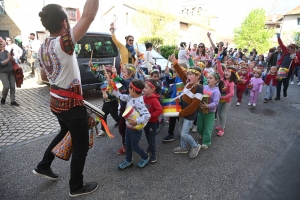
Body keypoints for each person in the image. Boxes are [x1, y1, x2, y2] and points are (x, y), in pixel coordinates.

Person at [33, 1, 99, 197]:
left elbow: (45, 77)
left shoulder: (42, 46)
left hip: (56, 101)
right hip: (71, 105)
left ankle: (44, 165)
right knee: (81, 145)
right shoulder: (64, 43)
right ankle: (76, 187)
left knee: (64, 131)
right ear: (64, 22)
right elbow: (88, 16)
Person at [169, 54, 203, 159]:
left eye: (191, 74)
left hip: (189, 115)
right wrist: (175, 63)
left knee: (184, 133)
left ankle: (195, 146)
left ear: (198, 77)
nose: (188, 76)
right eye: (188, 74)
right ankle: (183, 147)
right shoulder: (187, 82)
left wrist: (181, 113)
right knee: (181, 131)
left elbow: (194, 106)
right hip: (182, 112)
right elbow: (180, 72)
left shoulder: (199, 89)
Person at [112, 79, 151, 170]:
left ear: (133, 90)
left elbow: (147, 115)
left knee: (134, 146)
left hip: (135, 130)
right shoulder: (130, 97)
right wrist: (113, 87)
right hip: (128, 127)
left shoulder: (139, 102)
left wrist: (136, 121)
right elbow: (120, 96)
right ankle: (128, 160)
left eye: (129, 87)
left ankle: (145, 157)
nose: (128, 89)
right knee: (127, 144)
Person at [88, 62, 120, 136]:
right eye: (105, 73)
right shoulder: (103, 79)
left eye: (108, 73)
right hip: (106, 103)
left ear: (112, 73)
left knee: (115, 116)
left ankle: (121, 123)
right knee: (102, 115)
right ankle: (103, 129)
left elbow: (119, 90)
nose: (105, 74)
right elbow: (96, 74)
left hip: (113, 103)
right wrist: (92, 67)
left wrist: (113, 84)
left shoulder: (116, 80)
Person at [162, 62, 187, 142]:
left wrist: (180, 93)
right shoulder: (176, 78)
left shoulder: (186, 80)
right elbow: (169, 81)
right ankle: (170, 134)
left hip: (182, 101)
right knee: (172, 118)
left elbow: (187, 91)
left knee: (180, 119)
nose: (178, 72)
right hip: (174, 100)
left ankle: (181, 133)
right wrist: (167, 73)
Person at [215, 48, 238, 136]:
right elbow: (219, 65)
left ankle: (222, 128)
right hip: (219, 99)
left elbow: (232, 93)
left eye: (228, 72)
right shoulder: (222, 77)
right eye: (225, 71)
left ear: (232, 74)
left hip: (226, 101)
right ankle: (221, 125)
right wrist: (219, 55)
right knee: (219, 114)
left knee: (222, 115)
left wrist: (223, 97)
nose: (226, 72)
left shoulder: (231, 83)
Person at [115, 64, 136, 155]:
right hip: (123, 108)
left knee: (123, 128)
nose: (122, 74)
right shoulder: (125, 82)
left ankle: (126, 146)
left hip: (128, 109)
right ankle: (128, 144)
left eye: (124, 72)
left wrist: (115, 76)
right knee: (122, 128)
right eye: (122, 72)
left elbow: (124, 82)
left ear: (131, 74)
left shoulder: (130, 82)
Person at [197, 72, 221, 149]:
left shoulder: (216, 91)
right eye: (207, 78)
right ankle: (202, 135)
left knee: (208, 128)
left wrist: (207, 106)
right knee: (199, 126)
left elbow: (216, 103)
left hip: (210, 113)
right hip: (201, 111)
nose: (208, 79)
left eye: (210, 78)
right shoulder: (204, 87)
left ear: (216, 81)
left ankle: (206, 142)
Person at [275, 33, 300, 100]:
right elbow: (281, 44)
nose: (288, 49)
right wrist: (278, 37)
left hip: (289, 71)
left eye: (289, 48)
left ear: (293, 49)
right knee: (279, 83)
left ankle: (284, 91)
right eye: (288, 48)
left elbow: (298, 63)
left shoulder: (297, 55)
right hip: (282, 69)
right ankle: (278, 96)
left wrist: (295, 59)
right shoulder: (286, 51)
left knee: (285, 83)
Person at [143, 79, 163, 163]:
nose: (143, 89)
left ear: (153, 89)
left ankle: (153, 154)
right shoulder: (143, 98)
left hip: (152, 123)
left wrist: (150, 116)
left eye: (146, 88)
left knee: (151, 139)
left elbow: (159, 110)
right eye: (144, 87)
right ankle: (149, 147)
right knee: (148, 137)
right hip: (145, 122)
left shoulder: (154, 100)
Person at [0, 37, 19, 106]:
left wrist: (12, 57)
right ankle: (3, 98)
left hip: (11, 71)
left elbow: (12, 61)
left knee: (12, 86)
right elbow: (2, 63)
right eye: (1, 45)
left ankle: (13, 101)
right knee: (6, 86)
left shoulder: (6, 52)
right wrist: (8, 58)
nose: (3, 46)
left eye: (3, 45)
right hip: (2, 72)